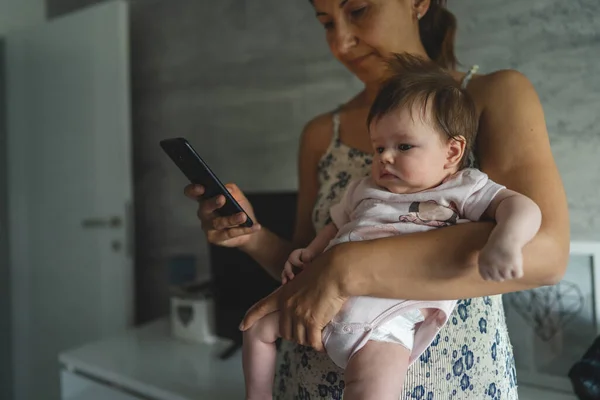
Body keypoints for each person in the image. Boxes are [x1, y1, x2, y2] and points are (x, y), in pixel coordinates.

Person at [185, 0, 570, 398]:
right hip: (304, 384)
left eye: (358, 10)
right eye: (325, 23)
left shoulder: (491, 95)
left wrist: (345, 266)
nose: (340, 42)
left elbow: (544, 253)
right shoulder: (321, 134)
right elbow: (307, 269)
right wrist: (252, 237)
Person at [241, 54, 542, 400]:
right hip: (321, 302)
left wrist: (505, 239)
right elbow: (334, 225)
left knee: (371, 390)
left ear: (452, 151)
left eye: (403, 146)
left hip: (386, 322)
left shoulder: (462, 187)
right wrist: (309, 252)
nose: (385, 157)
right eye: (378, 147)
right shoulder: (364, 189)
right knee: (254, 326)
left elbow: (521, 206)